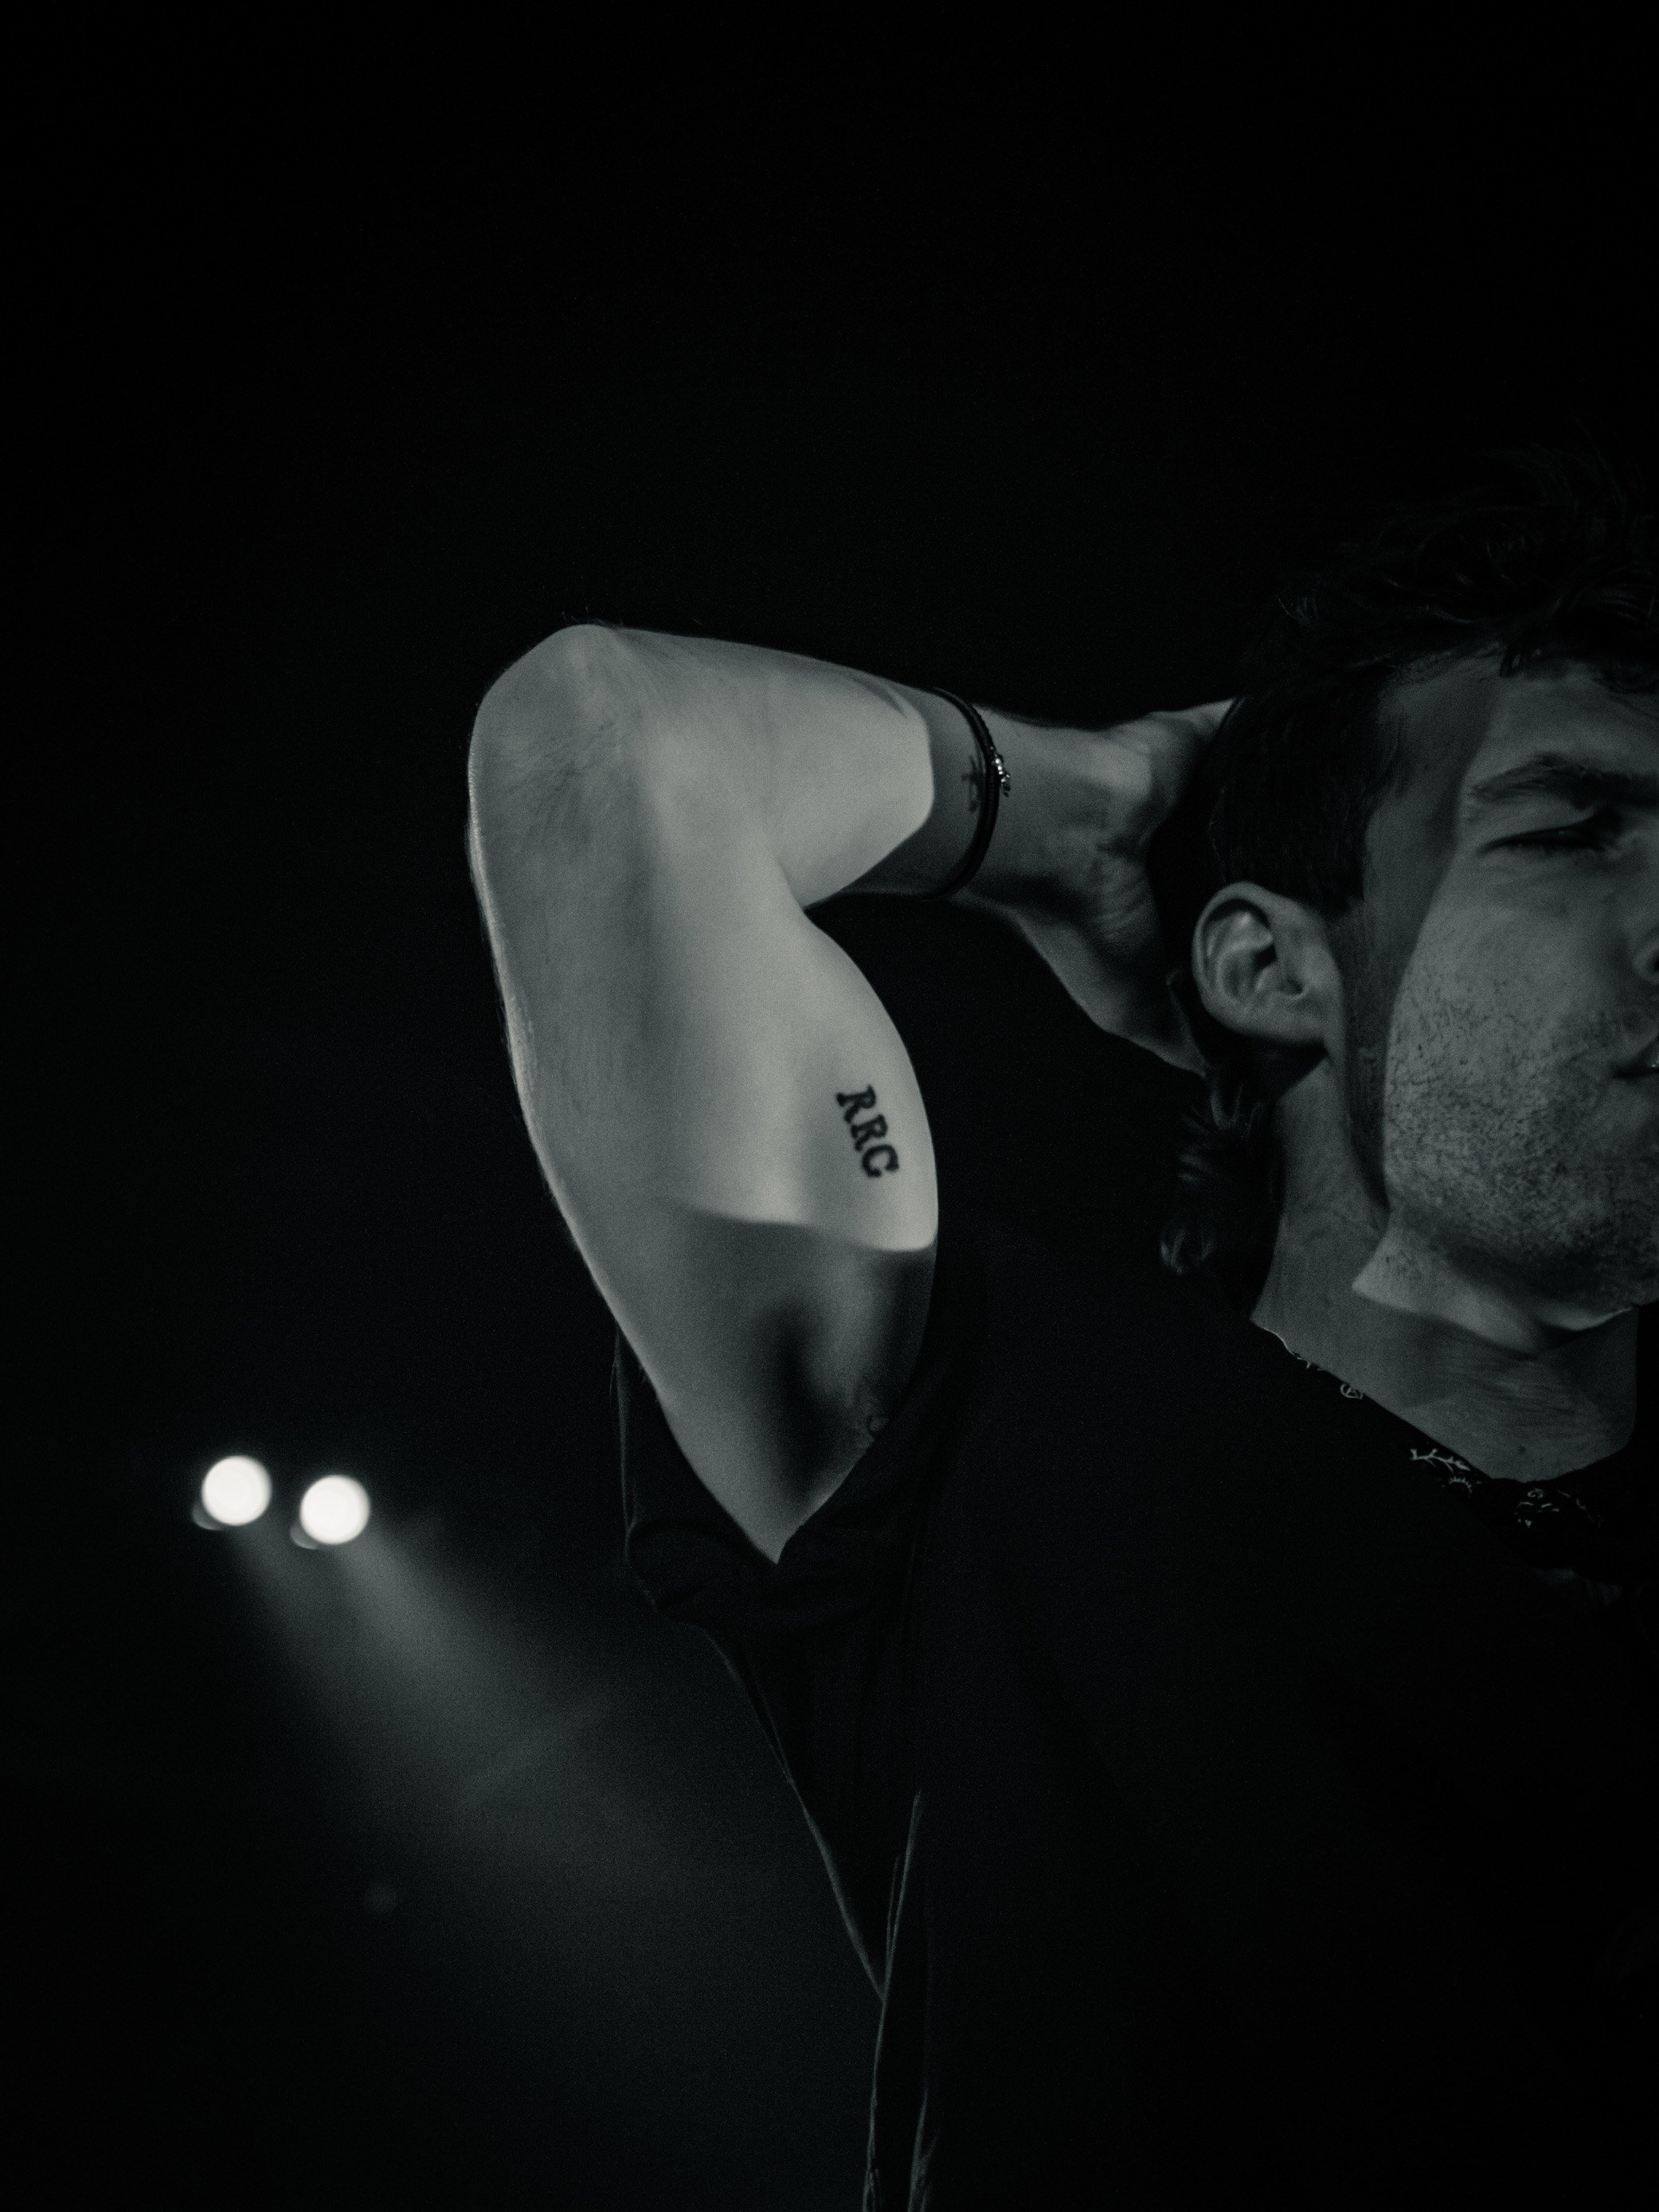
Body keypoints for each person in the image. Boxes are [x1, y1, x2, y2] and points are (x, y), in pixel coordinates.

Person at [465, 441, 1657, 2206]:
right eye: (1573, 832)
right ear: (1272, 967)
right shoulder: (997, 1420)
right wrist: (1081, 812)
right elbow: (609, 744)